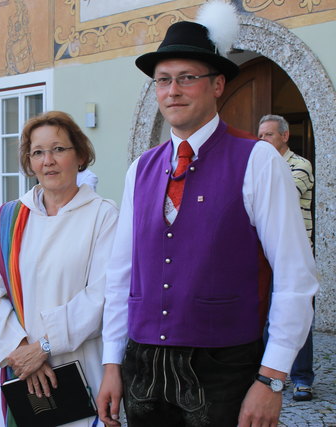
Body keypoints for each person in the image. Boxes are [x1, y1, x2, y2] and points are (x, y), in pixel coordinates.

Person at [96, 2, 319, 427]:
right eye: (163, 81)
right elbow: (121, 274)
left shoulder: (257, 160)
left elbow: (295, 276)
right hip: (143, 366)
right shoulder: (140, 169)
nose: (172, 91)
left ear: (217, 84)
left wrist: (271, 379)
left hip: (224, 366)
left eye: (186, 78)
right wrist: (112, 362)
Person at [0, 111, 119, 426]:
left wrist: (44, 346)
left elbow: (103, 295)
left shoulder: (103, 215)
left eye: (58, 149)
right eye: (38, 152)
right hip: (20, 366)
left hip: (79, 364)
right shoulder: (9, 218)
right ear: (29, 162)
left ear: (80, 155)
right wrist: (20, 349)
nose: (48, 161)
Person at [258, 114, 315, 402]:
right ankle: (267, 374)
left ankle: (303, 379)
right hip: (262, 254)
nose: (263, 140)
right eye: (260, 135)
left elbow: (283, 196)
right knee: (266, 316)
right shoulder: (259, 168)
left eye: (268, 135)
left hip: (293, 254)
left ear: (284, 136)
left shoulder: (299, 166)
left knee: (295, 312)